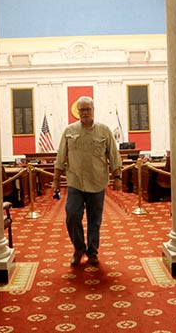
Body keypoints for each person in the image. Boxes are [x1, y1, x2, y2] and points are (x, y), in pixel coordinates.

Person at [52, 96, 123, 266]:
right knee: (72, 215)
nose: (84, 113)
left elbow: (114, 156)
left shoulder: (104, 131)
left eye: (87, 109)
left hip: (97, 182)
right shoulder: (69, 131)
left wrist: (117, 177)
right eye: (81, 110)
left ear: (93, 110)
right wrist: (56, 180)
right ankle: (78, 248)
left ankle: (92, 252)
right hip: (75, 182)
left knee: (94, 220)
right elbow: (60, 157)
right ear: (78, 112)